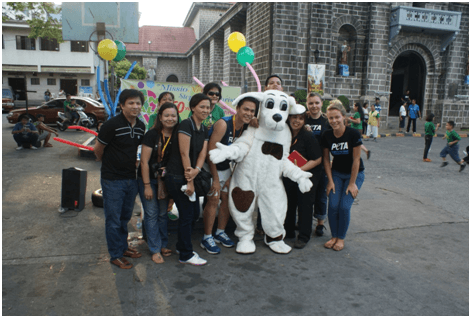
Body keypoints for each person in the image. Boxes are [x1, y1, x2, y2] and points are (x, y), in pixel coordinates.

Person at [94, 89, 146, 269]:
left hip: (131, 178)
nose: (135, 106)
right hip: (112, 180)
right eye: (131, 103)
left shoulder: (140, 126)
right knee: (113, 219)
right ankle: (115, 254)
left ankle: (123, 247)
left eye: (138, 103)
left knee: (124, 217)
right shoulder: (112, 125)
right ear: (122, 105)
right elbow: (98, 149)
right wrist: (109, 165)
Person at [201, 96, 259, 255]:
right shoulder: (223, 124)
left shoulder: (248, 128)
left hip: (226, 166)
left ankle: (220, 232)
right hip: (209, 166)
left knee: (227, 198)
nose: (248, 113)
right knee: (214, 197)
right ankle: (206, 237)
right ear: (238, 109)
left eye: (252, 111)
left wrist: (231, 176)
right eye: (245, 109)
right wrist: (216, 180)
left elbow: (242, 155)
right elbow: (210, 153)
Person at [164, 93, 210, 266]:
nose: (205, 110)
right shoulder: (186, 124)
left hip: (190, 174)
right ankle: (185, 254)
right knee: (187, 215)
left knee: (192, 215)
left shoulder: (204, 128)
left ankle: (182, 246)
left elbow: (202, 153)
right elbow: (184, 152)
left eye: (208, 107)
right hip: (177, 176)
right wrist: (189, 180)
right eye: (202, 107)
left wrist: (197, 170)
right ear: (192, 108)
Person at [137, 102, 179, 264]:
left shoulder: (178, 135)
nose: (170, 119)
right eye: (166, 115)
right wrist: (147, 186)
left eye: (173, 115)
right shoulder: (152, 135)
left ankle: (162, 244)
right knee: (152, 214)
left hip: (166, 181)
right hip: (148, 180)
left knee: (162, 214)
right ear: (160, 117)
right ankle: (154, 248)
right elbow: (144, 162)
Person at [321, 99, 365, 251]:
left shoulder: (352, 134)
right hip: (337, 174)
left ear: (344, 117)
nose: (334, 121)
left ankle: (341, 238)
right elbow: (326, 160)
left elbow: (356, 160)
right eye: (331, 118)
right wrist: (330, 181)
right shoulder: (327, 135)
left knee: (344, 207)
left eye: (337, 117)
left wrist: (352, 183)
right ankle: (333, 236)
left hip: (355, 174)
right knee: (333, 205)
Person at [283, 112, 322, 249]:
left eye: (300, 118)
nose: (297, 121)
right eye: (294, 118)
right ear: (289, 118)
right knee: (288, 203)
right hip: (290, 175)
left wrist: (300, 171)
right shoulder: (285, 133)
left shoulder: (307, 136)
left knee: (304, 206)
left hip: (306, 176)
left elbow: (318, 159)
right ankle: (288, 231)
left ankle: (304, 237)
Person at [304, 92, 330, 237]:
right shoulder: (303, 118)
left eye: (316, 103)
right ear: (307, 104)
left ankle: (320, 224)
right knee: (305, 194)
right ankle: (303, 220)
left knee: (321, 195)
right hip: (305, 163)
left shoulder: (327, 121)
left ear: (321, 104)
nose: (314, 106)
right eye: (311, 103)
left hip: (322, 164)